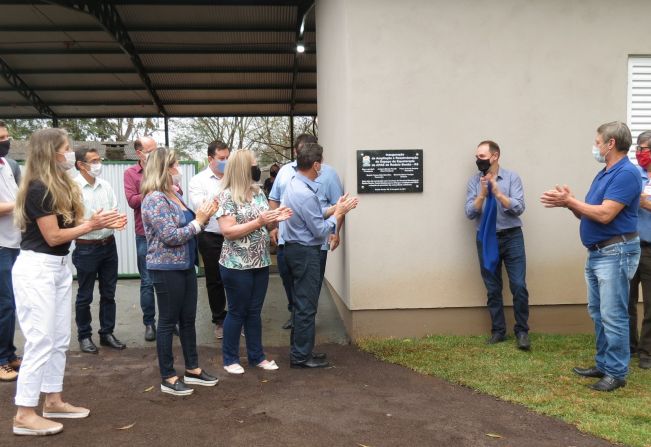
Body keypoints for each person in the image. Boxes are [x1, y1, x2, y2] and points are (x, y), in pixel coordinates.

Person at [12, 128, 124, 435]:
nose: (69, 154)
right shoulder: (38, 188)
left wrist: (101, 222)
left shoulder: (57, 185)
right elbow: (53, 236)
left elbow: (68, 224)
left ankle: (53, 399)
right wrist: (90, 224)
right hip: (38, 270)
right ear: (51, 153)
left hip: (59, 268)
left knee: (59, 338)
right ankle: (24, 412)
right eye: (65, 149)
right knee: (40, 340)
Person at [541, 121, 641, 392]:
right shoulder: (604, 173)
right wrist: (570, 202)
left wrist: (570, 202)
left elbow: (606, 214)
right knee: (598, 312)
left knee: (613, 314)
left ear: (611, 144)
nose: (594, 146)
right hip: (598, 252)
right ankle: (604, 364)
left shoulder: (626, 174)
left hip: (615, 252)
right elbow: (589, 211)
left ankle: (617, 373)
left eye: (598, 142)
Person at [141, 147, 219, 395]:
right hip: (166, 268)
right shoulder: (154, 199)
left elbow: (190, 224)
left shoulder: (174, 195)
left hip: (185, 265)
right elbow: (171, 236)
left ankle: (193, 369)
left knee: (188, 320)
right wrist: (198, 222)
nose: (178, 170)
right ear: (163, 169)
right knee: (166, 322)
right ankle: (168, 376)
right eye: (174, 165)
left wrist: (205, 216)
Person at [282, 143, 358, 368]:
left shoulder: (295, 184)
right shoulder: (304, 192)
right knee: (306, 305)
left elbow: (313, 214)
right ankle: (301, 357)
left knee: (301, 304)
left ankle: (300, 351)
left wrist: (335, 208)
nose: (322, 168)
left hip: (297, 250)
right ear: (315, 164)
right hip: (306, 253)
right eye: (320, 165)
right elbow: (320, 229)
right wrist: (340, 214)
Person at [217, 150, 292, 374]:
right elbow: (228, 231)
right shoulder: (226, 196)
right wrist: (260, 220)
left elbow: (265, 222)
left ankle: (256, 356)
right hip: (236, 265)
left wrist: (275, 220)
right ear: (242, 169)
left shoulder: (258, 193)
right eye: (253, 165)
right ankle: (230, 358)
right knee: (237, 311)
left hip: (259, 262)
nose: (257, 168)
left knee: (254, 311)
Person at [269, 134, 344, 330]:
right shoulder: (290, 176)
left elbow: (333, 207)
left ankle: (303, 321)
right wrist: (274, 227)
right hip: (292, 240)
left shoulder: (327, 175)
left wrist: (336, 228)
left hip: (313, 244)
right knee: (292, 282)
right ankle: (299, 318)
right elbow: (275, 200)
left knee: (310, 289)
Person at [464, 140, 531, 350]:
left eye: (482, 157)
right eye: (477, 157)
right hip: (486, 237)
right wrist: (482, 195)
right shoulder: (474, 182)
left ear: (495, 156)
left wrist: (499, 194)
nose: (478, 161)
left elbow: (519, 207)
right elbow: (469, 212)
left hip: (511, 237)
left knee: (518, 286)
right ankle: (498, 331)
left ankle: (522, 332)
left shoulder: (512, 178)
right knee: (493, 288)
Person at [72, 147, 126, 354]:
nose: (98, 164)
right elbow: (69, 221)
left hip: (108, 245)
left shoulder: (106, 185)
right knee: (85, 295)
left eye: (99, 159)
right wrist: (92, 223)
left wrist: (117, 222)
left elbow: (113, 211)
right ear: (81, 165)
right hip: (86, 247)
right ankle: (84, 336)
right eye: (93, 160)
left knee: (109, 292)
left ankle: (106, 333)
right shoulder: (72, 188)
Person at [188, 140, 230, 339]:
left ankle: (238, 317)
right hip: (211, 236)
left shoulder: (234, 177)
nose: (226, 162)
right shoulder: (198, 180)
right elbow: (202, 207)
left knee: (238, 278)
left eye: (228, 158)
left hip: (235, 235)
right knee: (215, 279)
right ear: (210, 159)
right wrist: (224, 195)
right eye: (221, 159)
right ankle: (219, 319)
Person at [124, 136, 158, 341]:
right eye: (150, 150)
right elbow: (132, 200)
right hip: (144, 234)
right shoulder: (131, 174)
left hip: (166, 233)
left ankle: (168, 323)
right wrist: (153, 189)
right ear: (139, 153)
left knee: (167, 281)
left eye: (156, 149)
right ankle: (149, 323)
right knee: (147, 282)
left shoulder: (163, 168)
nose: (154, 153)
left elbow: (177, 192)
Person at [0, 121, 22, 382]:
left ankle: (9, 352)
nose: (6, 141)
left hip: (13, 242)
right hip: (1, 246)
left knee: (11, 304)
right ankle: (2, 359)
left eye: (6, 136)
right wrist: (20, 203)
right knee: (4, 304)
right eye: (1, 137)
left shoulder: (7, 166)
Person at [629, 130, 651, 369]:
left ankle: (647, 352)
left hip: (650, 250)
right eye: (637, 149)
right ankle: (629, 347)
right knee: (626, 301)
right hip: (629, 246)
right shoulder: (633, 174)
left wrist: (647, 203)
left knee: (650, 305)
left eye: (643, 149)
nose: (638, 153)